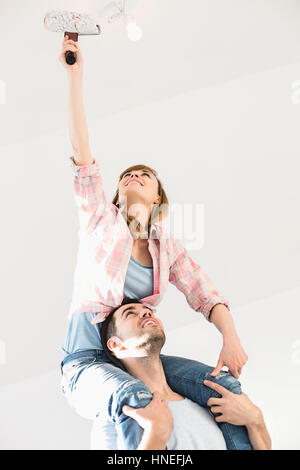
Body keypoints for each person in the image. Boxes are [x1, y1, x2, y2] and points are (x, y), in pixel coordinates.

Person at [59, 35, 250, 450]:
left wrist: (229, 337)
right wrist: (75, 75)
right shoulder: (99, 221)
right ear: (114, 194)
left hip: (140, 358)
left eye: (144, 175)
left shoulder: (166, 247)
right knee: (140, 400)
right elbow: (82, 155)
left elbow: (204, 293)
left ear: (158, 197)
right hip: (89, 362)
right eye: (126, 175)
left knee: (227, 391)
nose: (133, 177)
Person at [88, 298, 271, 450]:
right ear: (116, 345)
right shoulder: (113, 418)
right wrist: (156, 433)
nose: (146, 313)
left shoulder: (208, 403)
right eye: (130, 313)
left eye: (148, 311)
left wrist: (255, 419)